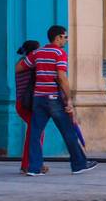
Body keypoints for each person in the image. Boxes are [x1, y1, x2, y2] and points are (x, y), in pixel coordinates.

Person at [22, 25, 95, 176]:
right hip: (53, 98)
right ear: (58, 37)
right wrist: (69, 99)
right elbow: (62, 77)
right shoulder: (59, 53)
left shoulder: (37, 52)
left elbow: (19, 67)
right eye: (65, 37)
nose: (66, 40)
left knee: (35, 134)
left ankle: (34, 168)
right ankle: (79, 164)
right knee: (68, 131)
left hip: (38, 98)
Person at [13, 40, 38, 168]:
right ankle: (30, 164)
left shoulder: (21, 62)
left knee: (33, 132)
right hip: (27, 104)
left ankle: (28, 163)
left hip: (21, 103)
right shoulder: (30, 64)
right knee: (36, 133)